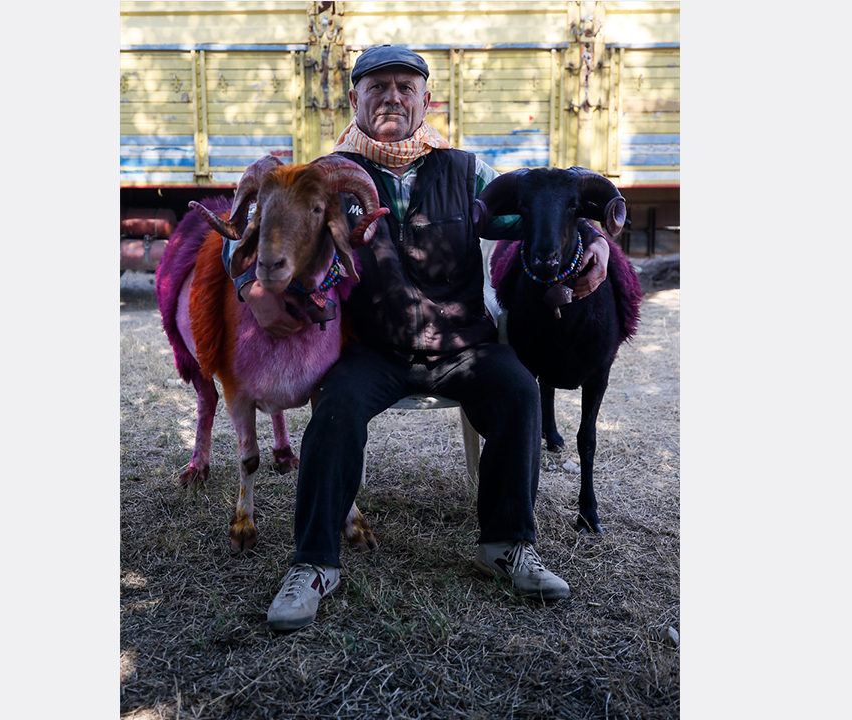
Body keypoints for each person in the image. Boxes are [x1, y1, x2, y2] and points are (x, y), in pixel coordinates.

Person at [229, 45, 612, 631]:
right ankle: (314, 563)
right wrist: (250, 287)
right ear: (353, 99)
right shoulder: (324, 174)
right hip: (372, 347)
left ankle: (506, 545)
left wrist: (596, 237)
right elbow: (247, 231)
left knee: (518, 393)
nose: (392, 96)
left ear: (426, 100)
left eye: (406, 87)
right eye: (376, 86)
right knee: (333, 411)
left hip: (463, 347)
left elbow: (542, 205)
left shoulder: (466, 170)